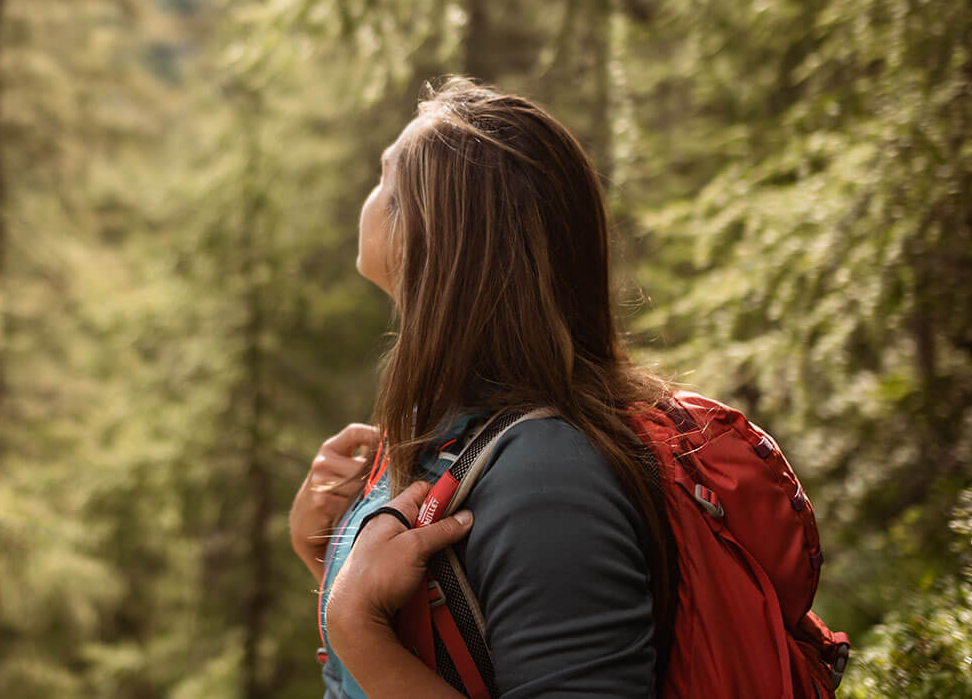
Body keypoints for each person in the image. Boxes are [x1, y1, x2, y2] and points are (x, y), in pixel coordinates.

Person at [290, 77, 681, 699]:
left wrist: (356, 629)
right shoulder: (450, 424)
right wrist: (328, 551)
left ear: (431, 243)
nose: (367, 199)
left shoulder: (547, 479)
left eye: (385, 181)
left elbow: (375, 652)